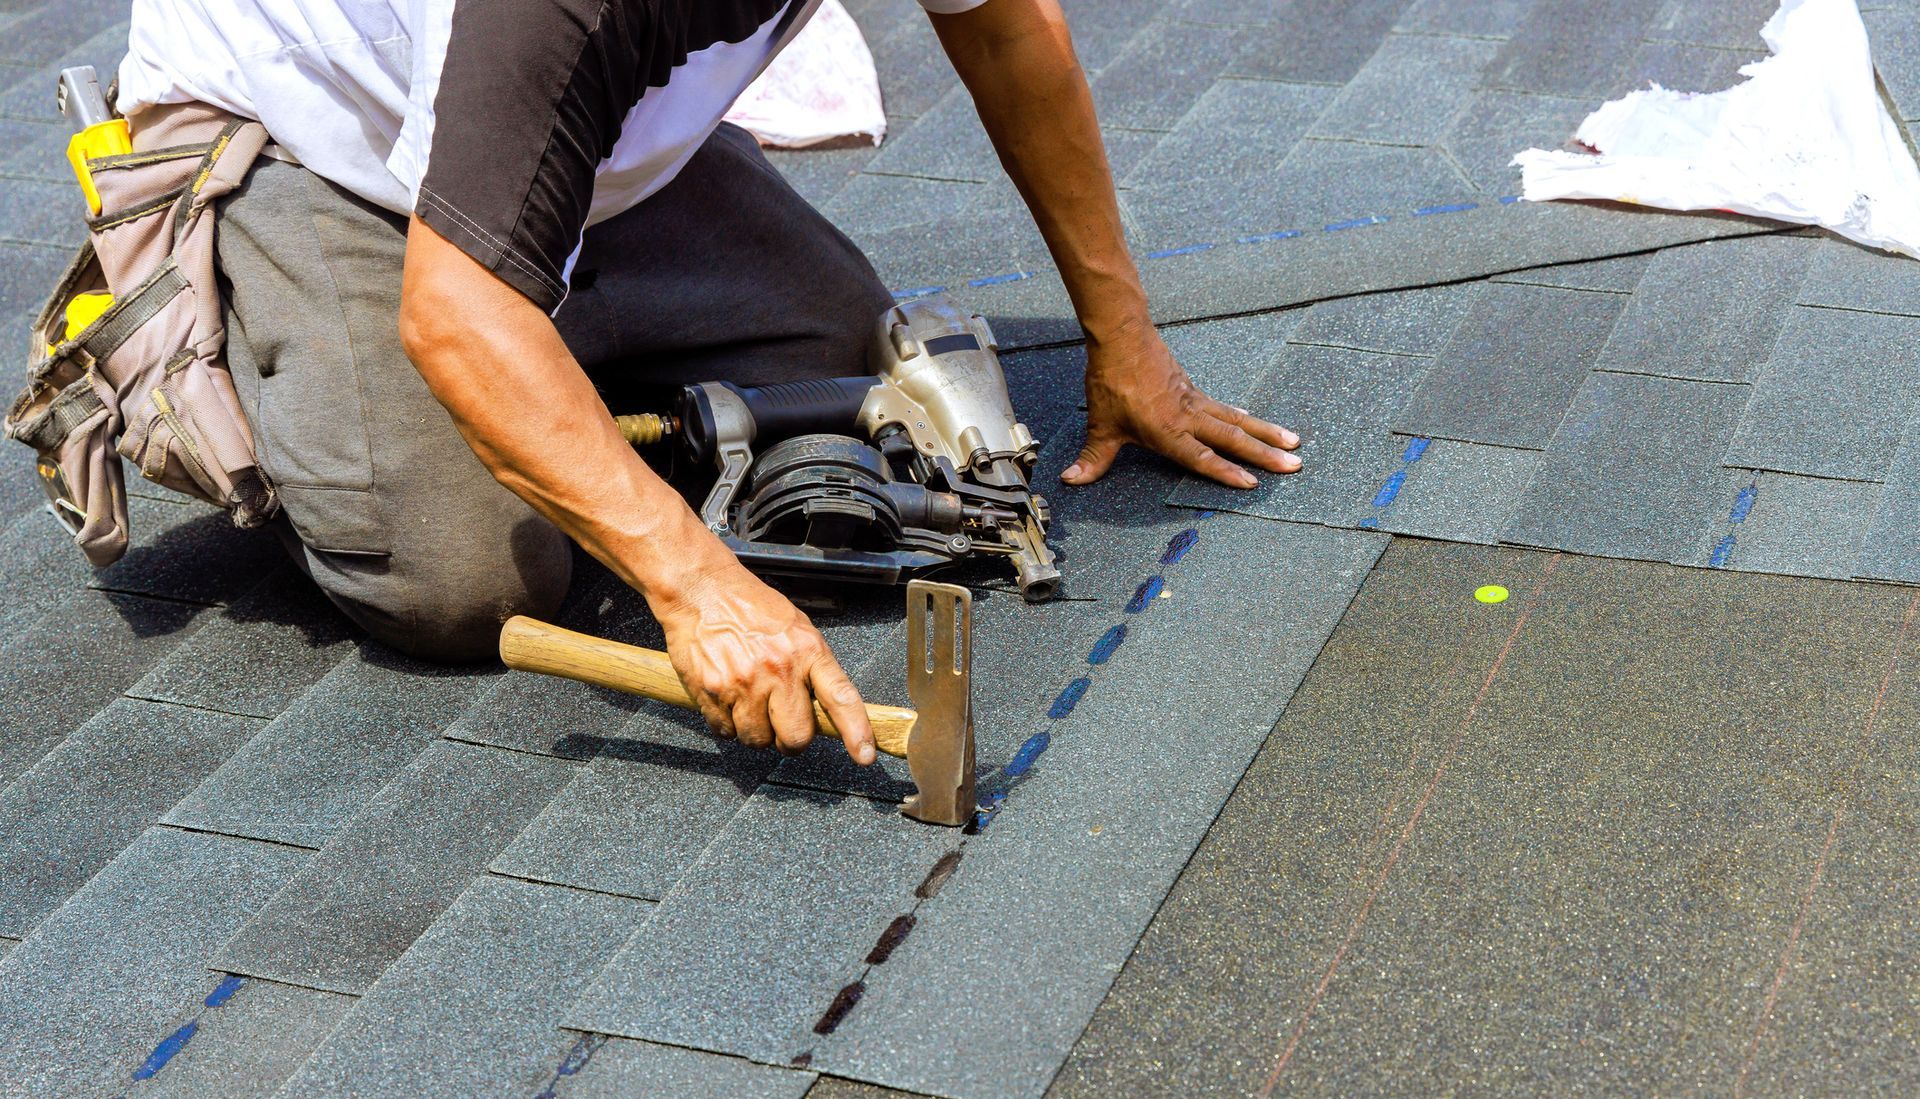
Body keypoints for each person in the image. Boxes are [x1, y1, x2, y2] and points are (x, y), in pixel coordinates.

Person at [116, 0, 1301, 765]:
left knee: (858, 396)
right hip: (319, 144)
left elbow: (1005, 30)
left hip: (574, 132)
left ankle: (544, 341)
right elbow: (455, 311)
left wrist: (1126, 337)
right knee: (466, 580)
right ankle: (286, 355)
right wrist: (695, 588)